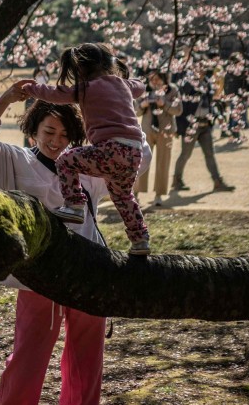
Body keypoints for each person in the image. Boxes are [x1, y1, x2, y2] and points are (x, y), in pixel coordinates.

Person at [0, 82, 151, 405]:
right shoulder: (13, 161)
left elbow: (139, 157)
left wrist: (120, 110)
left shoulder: (90, 165)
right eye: (49, 132)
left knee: (87, 357)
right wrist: (4, 102)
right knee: (29, 355)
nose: (56, 141)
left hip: (90, 273)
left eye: (66, 135)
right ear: (33, 130)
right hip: (40, 276)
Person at [23, 44, 150, 255]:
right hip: (133, 152)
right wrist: (123, 76)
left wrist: (30, 89)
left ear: (80, 70)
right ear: (108, 64)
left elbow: (53, 94)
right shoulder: (124, 85)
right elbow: (141, 86)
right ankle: (140, 240)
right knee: (123, 196)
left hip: (110, 149)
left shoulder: (85, 89)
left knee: (65, 161)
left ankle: (74, 205)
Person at [171, 66, 236, 194]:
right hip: (191, 125)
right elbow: (181, 107)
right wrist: (179, 128)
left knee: (210, 154)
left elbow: (212, 102)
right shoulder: (187, 84)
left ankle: (217, 181)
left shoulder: (207, 82)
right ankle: (177, 180)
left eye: (203, 68)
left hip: (205, 124)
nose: (201, 71)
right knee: (185, 154)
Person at [135, 70, 182, 207]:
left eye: (158, 79)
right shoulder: (144, 90)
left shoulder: (172, 90)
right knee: (141, 161)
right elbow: (134, 111)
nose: (155, 82)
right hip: (147, 130)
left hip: (165, 131)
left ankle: (159, 195)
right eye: (152, 79)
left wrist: (165, 104)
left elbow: (178, 110)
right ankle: (136, 193)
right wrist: (142, 106)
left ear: (164, 79)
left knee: (163, 163)